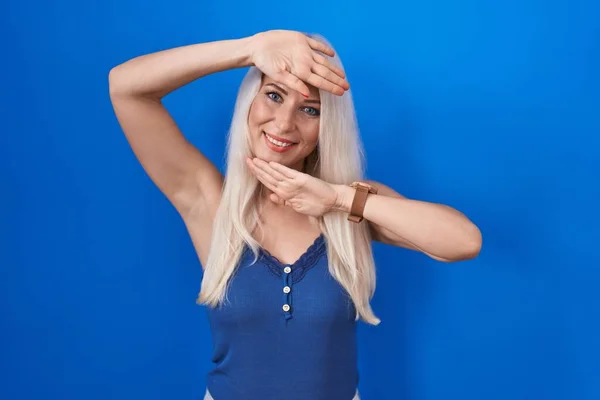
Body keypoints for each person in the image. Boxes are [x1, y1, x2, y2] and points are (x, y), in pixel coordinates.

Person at [108, 29, 482, 400]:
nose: (285, 123)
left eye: (309, 109)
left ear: (326, 127)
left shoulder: (351, 205)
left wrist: (338, 199)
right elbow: (126, 88)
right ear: (249, 102)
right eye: (273, 95)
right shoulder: (210, 203)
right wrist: (248, 49)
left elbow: (464, 241)